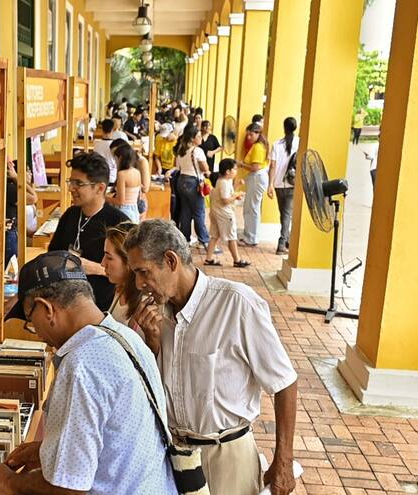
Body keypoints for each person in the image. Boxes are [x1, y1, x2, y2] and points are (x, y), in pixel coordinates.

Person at [125, 220, 299, 495]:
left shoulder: (236, 304)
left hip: (227, 458)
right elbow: (158, 389)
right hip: (175, 455)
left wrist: (284, 461)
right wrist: (153, 342)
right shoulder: (157, 315)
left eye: (143, 272)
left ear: (170, 260)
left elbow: (284, 383)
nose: (139, 284)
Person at [0, 252, 177, 495]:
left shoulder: (81, 367)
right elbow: (112, 442)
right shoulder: (126, 337)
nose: (37, 333)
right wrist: (49, 451)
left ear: (47, 309)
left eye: (31, 321)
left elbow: (69, 489)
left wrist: (7, 482)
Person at [48, 153, 129, 311]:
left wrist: (94, 268)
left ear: (100, 188)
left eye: (78, 183)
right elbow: (52, 253)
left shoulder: (119, 223)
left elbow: (130, 271)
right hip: (63, 302)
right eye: (71, 182)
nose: (71, 188)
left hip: (100, 306)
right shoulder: (70, 215)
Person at [101, 222, 146, 332]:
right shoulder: (120, 289)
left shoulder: (145, 304)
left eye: (109, 258)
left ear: (129, 262)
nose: (102, 263)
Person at [205, 159, 249, 267]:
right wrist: (236, 195)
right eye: (234, 169)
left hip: (216, 212)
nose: (236, 171)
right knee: (232, 237)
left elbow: (228, 194)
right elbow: (225, 200)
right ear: (228, 171)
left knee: (214, 236)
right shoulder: (224, 182)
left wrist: (236, 190)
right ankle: (237, 260)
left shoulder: (222, 181)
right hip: (224, 214)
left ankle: (208, 259)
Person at [173, 125, 210, 248]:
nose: (201, 138)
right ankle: (203, 240)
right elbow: (205, 168)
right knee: (199, 212)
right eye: (198, 136)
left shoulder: (181, 150)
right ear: (192, 138)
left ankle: (185, 239)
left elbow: (178, 167)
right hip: (193, 183)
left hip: (181, 181)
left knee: (185, 212)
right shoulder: (197, 151)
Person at [267, 117, 299, 255]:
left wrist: (270, 184)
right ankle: (283, 242)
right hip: (293, 184)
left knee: (284, 214)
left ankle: (286, 240)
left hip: (279, 183)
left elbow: (272, 166)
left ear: (284, 127)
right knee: (286, 214)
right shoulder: (300, 143)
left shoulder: (276, 144)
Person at [239, 123, 270, 246]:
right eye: (248, 135)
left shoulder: (258, 147)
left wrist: (241, 164)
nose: (248, 137)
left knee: (252, 208)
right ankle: (249, 234)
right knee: (250, 207)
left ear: (258, 134)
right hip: (257, 178)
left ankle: (252, 237)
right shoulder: (259, 146)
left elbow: (255, 167)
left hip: (257, 177)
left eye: (251, 134)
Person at [106, 140, 143, 223]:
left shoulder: (122, 174)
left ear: (120, 158)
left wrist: (104, 198)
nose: (115, 162)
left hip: (124, 211)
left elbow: (120, 201)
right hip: (134, 210)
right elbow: (139, 195)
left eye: (115, 158)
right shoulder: (137, 172)